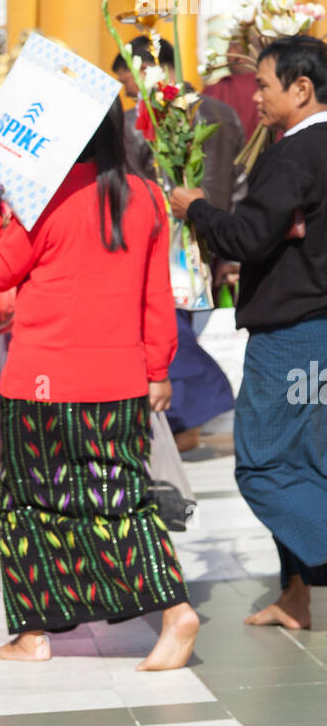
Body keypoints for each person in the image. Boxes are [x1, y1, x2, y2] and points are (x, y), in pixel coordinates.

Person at [0, 100, 200, 670]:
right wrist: (157, 370)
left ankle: (34, 633)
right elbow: (155, 293)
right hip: (118, 381)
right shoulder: (144, 196)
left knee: (26, 504)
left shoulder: (40, 197)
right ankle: (173, 613)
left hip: (39, 381)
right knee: (122, 498)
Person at [171, 35, 327, 629]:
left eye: (264, 85)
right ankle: (295, 595)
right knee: (309, 465)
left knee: (262, 465)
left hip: (291, 337)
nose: (256, 97)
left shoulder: (294, 155)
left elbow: (245, 237)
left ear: (301, 88)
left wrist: (197, 210)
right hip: (317, 330)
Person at [113, 36, 240, 450]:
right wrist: (232, 250)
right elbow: (241, 185)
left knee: (169, 329)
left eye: (129, 82)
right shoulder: (223, 113)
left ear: (148, 67)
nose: (129, 92)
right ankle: (186, 422)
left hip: (168, 242)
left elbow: (132, 188)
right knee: (179, 327)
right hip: (215, 237)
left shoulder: (141, 121)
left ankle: (189, 416)